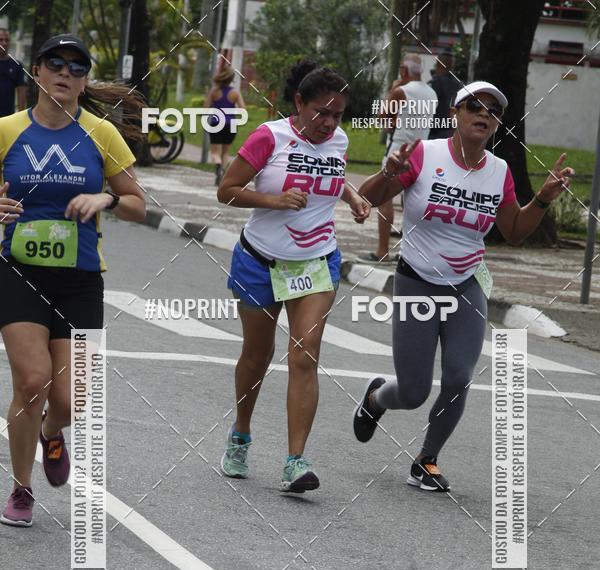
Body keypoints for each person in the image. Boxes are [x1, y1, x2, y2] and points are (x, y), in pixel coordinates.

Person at [353, 81, 573, 492]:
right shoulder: (424, 153)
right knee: (414, 391)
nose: (484, 113)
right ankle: (376, 398)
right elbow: (364, 201)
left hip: (467, 284)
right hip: (416, 282)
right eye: (474, 105)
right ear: (455, 112)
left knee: (457, 377)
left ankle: (426, 459)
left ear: (498, 124)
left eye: (494, 110)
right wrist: (389, 173)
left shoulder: (499, 171)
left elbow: (514, 231)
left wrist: (542, 199)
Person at [0, 34, 146, 527]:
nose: (65, 72)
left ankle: (52, 431)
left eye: (77, 67)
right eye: (56, 63)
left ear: (84, 82)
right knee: (32, 381)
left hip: (80, 280)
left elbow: (138, 203)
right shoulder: (6, 130)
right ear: (37, 71)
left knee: (71, 399)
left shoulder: (101, 134)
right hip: (18, 272)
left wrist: (107, 198)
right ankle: (22, 489)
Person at [217, 61, 369, 493]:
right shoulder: (269, 137)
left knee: (305, 354)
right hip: (260, 261)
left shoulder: (339, 140)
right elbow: (227, 191)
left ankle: (295, 461)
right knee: (256, 356)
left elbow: (332, 172)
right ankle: (241, 434)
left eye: (338, 114)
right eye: (322, 112)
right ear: (299, 103)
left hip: (316, 262)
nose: (330, 123)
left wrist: (353, 196)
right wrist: (275, 200)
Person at [359, 53, 437, 263]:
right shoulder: (432, 93)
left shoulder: (401, 91)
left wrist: (392, 89)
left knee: (385, 198)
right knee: (411, 202)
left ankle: (382, 251)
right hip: (421, 152)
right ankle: (409, 253)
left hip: (398, 150)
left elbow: (383, 119)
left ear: (404, 70)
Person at [206, 64, 245, 186]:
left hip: (216, 123)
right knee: (225, 152)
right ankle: (222, 173)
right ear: (231, 79)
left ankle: (218, 166)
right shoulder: (235, 93)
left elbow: (205, 108)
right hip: (231, 125)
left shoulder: (214, 92)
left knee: (215, 152)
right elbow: (243, 109)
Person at [428, 52, 458, 139]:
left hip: (434, 133)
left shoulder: (434, 84)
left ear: (438, 65)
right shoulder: (460, 86)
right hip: (452, 133)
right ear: (453, 66)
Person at [0, 28, 26, 117]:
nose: (4, 43)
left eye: (7, 40)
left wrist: (21, 117)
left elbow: (21, 92)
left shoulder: (17, 65)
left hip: (8, 117)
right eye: (0, 40)